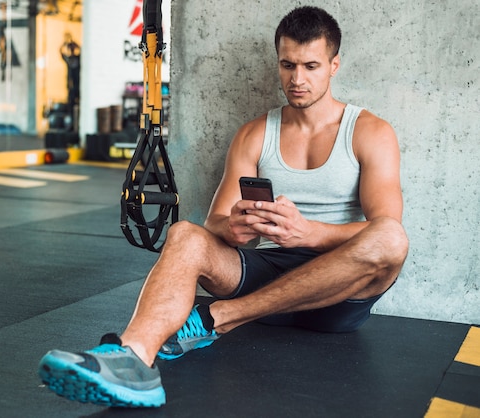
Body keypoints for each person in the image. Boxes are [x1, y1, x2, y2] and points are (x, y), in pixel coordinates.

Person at [38, 6, 409, 408]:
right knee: (184, 234)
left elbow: (384, 227)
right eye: (287, 65)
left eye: (311, 66)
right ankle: (133, 358)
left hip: (335, 292)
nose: (297, 79)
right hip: (265, 271)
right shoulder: (255, 134)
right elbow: (215, 221)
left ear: (334, 65)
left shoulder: (370, 131)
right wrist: (232, 228)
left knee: (392, 238)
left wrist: (311, 233)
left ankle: (220, 318)